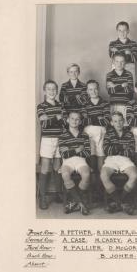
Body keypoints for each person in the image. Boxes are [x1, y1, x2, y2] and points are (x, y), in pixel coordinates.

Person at [100, 112, 137, 215]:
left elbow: (131, 151)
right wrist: (122, 147)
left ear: (124, 121)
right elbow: (106, 150)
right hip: (111, 159)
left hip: (125, 159)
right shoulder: (108, 133)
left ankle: (118, 202)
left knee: (134, 175)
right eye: (115, 121)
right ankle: (122, 203)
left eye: (121, 120)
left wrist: (115, 148)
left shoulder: (129, 134)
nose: (118, 123)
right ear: (112, 123)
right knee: (103, 175)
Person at [36, 80, 66, 210]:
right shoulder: (41, 106)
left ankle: (58, 193)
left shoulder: (61, 105)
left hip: (59, 139)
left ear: (57, 91)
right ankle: (42, 197)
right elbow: (44, 124)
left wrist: (52, 119)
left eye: (54, 89)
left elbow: (64, 123)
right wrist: (57, 118)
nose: (51, 91)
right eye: (49, 89)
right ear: (44, 91)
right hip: (48, 140)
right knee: (45, 168)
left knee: (57, 167)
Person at [58, 111, 91, 216]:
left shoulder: (84, 135)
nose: (74, 121)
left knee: (86, 174)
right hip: (67, 162)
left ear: (80, 121)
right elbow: (64, 154)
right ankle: (81, 203)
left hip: (81, 160)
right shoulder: (63, 135)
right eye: (72, 118)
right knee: (65, 174)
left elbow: (87, 153)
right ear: (67, 120)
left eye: (77, 119)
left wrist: (70, 149)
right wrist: (77, 149)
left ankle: (74, 202)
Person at [82, 80, 111, 184]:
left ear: (98, 89)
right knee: (91, 160)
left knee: (101, 160)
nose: (93, 91)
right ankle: (92, 189)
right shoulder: (85, 104)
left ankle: (100, 188)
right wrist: (98, 118)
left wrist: (91, 118)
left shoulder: (105, 103)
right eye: (90, 89)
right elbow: (84, 121)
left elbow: (106, 120)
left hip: (102, 133)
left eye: (95, 89)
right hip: (88, 133)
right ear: (87, 91)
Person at [106, 52, 134, 122]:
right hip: (113, 105)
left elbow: (129, 91)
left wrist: (114, 86)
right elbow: (110, 91)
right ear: (113, 62)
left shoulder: (129, 74)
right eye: (117, 61)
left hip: (126, 105)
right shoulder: (109, 75)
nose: (119, 64)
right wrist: (122, 85)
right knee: (115, 125)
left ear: (125, 62)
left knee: (125, 125)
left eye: (122, 61)